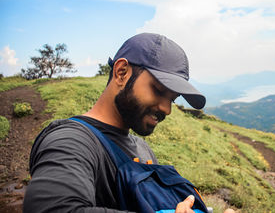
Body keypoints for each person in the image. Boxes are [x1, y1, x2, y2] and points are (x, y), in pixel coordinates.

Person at [23, 33, 234, 213]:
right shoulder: (70, 141)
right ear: (121, 72)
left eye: (172, 98)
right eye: (158, 90)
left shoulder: (143, 149)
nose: (167, 109)